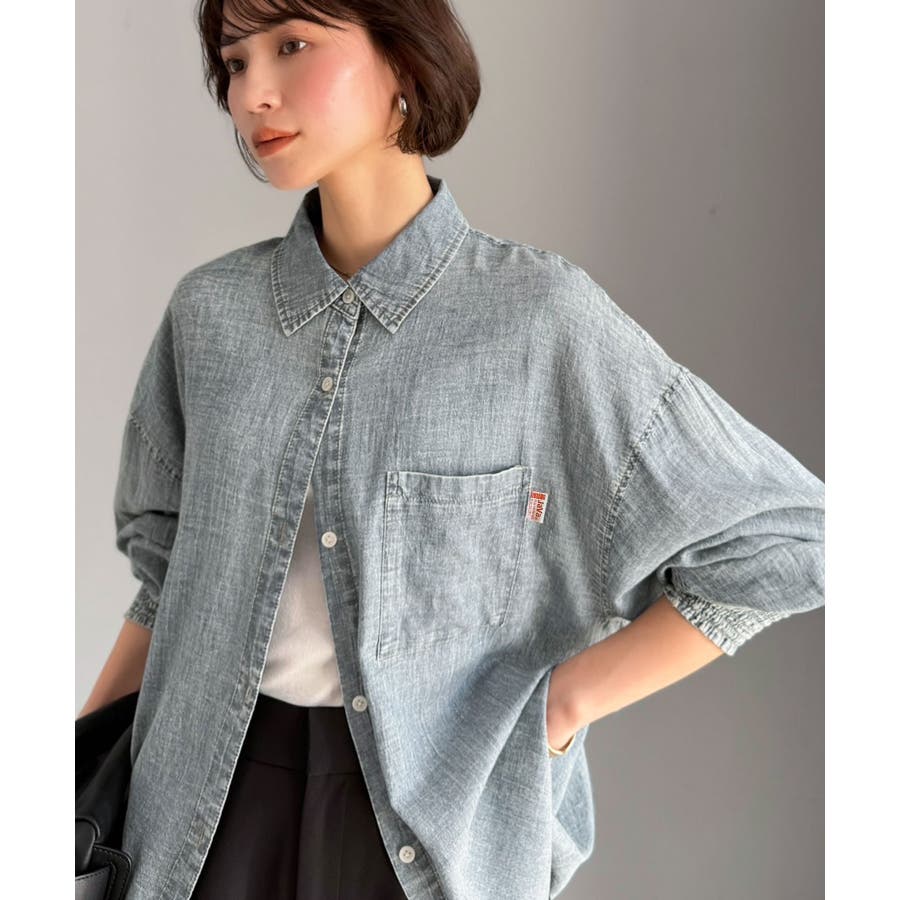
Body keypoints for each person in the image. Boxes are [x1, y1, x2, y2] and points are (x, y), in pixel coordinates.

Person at [79, 1, 826, 898]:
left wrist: (561, 707)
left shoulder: (538, 322)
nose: (252, 95)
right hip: (200, 812)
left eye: (292, 45)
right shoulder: (210, 317)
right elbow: (166, 579)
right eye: (236, 62)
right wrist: (67, 778)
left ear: (403, 59)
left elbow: (785, 539)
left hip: (430, 830)